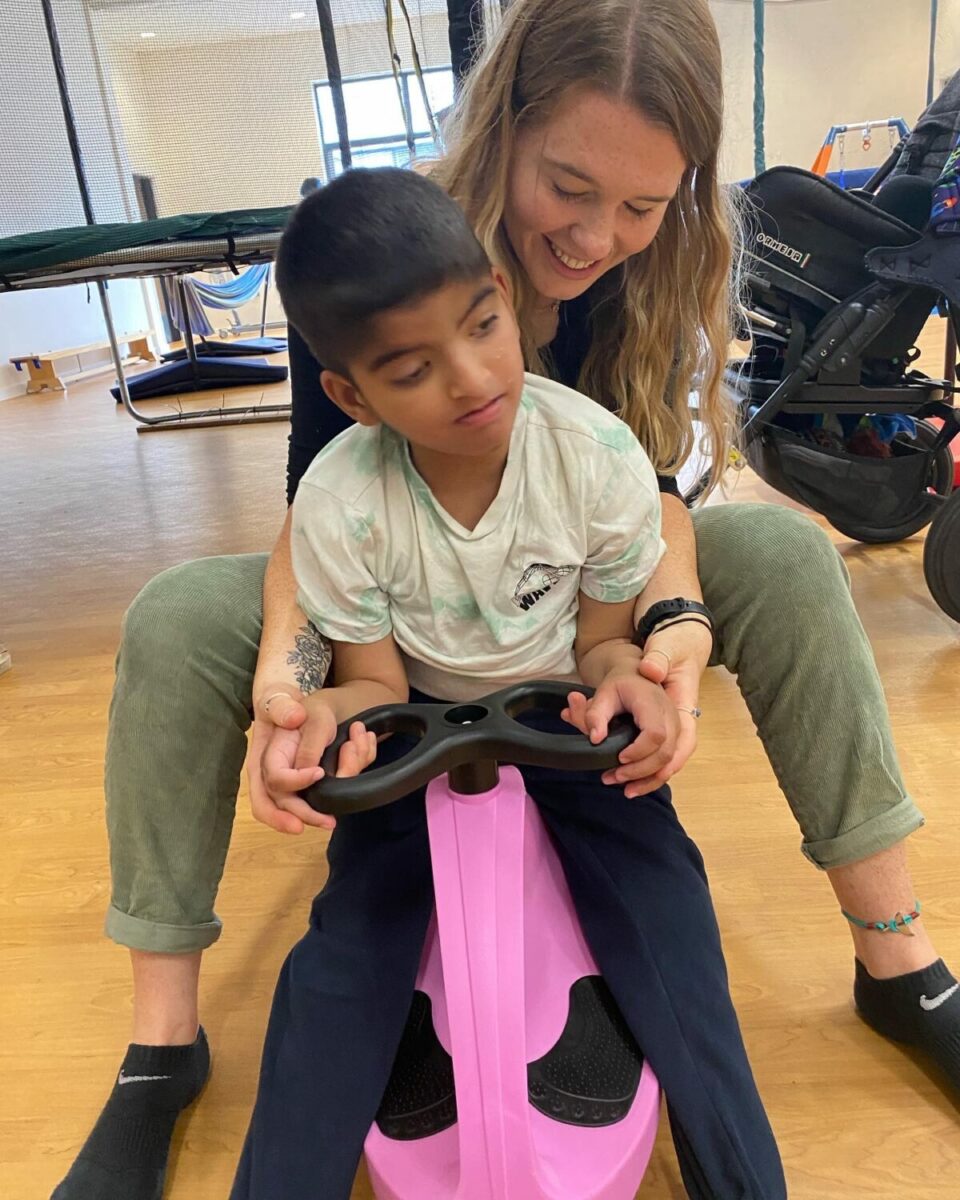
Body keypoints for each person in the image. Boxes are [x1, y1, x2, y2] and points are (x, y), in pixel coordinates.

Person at [52, 1, 959, 1198]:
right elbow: (319, 519)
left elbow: (651, 508)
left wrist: (668, 630)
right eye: (570, 188)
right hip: (398, 591)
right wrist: (291, 678)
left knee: (786, 561)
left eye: (643, 205)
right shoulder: (386, 256)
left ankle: (901, 963)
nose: (597, 237)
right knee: (177, 613)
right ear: (506, 129)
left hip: (579, 583)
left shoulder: (659, 278)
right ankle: (159, 1050)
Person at [231, 164, 785, 1200]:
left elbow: (608, 648)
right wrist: (318, 730)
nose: (470, 377)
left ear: (500, 292)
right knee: (341, 960)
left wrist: (635, 687)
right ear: (350, 394)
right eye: (411, 369)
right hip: (415, 743)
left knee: (673, 928)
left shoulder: (594, 457)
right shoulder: (341, 498)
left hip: (565, 728)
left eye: (482, 326)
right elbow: (369, 685)